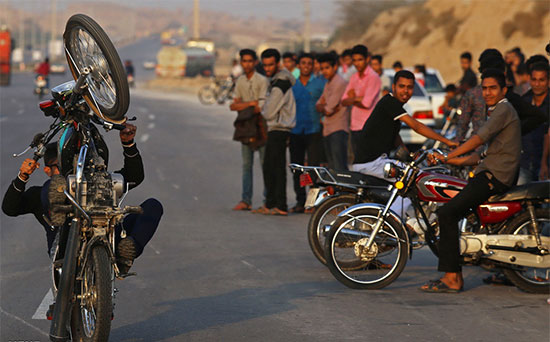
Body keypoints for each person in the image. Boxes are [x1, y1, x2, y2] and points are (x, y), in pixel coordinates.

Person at [2, 123, 163, 275]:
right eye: (61, 167)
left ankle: (127, 252)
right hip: (66, 247)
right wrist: (22, 177)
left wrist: (128, 144)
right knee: (52, 186)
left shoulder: (99, 185)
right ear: (47, 170)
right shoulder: (40, 194)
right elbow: (9, 208)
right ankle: (62, 212)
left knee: (153, 206)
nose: (68, 171)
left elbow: (134, 176)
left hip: (109, 238)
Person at [422, 69, 521, 293]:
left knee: (447, 214)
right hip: (489, 171)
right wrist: (455, 160)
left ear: (503, 90)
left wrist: (448, 156)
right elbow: (484, 153)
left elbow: (478, 138)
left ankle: (452, 277)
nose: (487, 93)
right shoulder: (496, 110)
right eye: (484, 88)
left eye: (492, 88)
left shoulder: (503, 109)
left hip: (494, 177)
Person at [351, 70, 456, 180]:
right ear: (393, 87)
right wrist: (447, 141)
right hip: (372, 163)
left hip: (376, 162)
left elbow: (395, 136)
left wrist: (411, 156)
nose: (405, 91)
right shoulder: (390, 102)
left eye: (409, 87)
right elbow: (416, 126)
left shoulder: (394, 106)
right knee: (416, 180)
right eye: (401, 86)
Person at [252, 48, 296, 216]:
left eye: (270, 65)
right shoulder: (278, 80)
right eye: (265, 65)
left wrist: (261, 108)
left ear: (277, 64)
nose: (268, 68)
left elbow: (269, 112)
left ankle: (280, 205)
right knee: (270, 167)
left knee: (275, 168)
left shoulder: (280, 84)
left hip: (279, 128)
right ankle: (271, 203)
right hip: (276, 128)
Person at [230, 49, 269, 211]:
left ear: (255, 62)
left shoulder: (262, 80)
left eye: (249, 61)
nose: (246, 64)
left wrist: (245, 105)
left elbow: (261, 107)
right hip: (245, 127)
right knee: (247, 165)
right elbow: (233, 105)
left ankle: (268, 200)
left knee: (264, 164)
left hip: (261, 126)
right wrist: (250, 104)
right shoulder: (240, 81)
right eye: (243, 61)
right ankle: (246, 200)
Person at [288, 52, 326, 213]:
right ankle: (300, 201)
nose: (306, 66)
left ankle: (312, 203)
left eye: (309, 63)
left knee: (313, 169)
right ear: (298, 65)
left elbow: (327, 103)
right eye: (303, 63)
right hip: (295, 130)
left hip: (314, 131)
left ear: (313, 65)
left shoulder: (320, 84)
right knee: (297, 168)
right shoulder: (292, 85)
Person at [341, 44, 381, 159]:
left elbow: (366, 103)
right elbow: (343, 100)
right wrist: (358, 98)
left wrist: (353, 98)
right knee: (358, 165)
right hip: (354, 127)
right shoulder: (354, 77)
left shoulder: (373, 77)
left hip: (368, 127)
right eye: (354, 60)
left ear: (367, 59)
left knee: (369, 164)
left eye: (360, 60)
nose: (357, 63)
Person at [316, 52, 350, 171]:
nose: (324, 71)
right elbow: (318, 105)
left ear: (335, 67)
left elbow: (327, 109)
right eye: (322, 69)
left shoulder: (339, 83)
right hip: (328, 129)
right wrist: (324, 106)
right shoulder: (328, 83)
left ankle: (344, 190)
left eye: (327, 68)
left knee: (339, 168)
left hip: (338, 129)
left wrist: (325, 107)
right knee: (332, 168)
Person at [518, 62, 549, 184]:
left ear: (548, 81)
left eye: (541, 80)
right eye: (534, 80)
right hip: (524, 162)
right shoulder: (523, 101)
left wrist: (544, 163)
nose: (537, 84)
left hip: (546, 164)